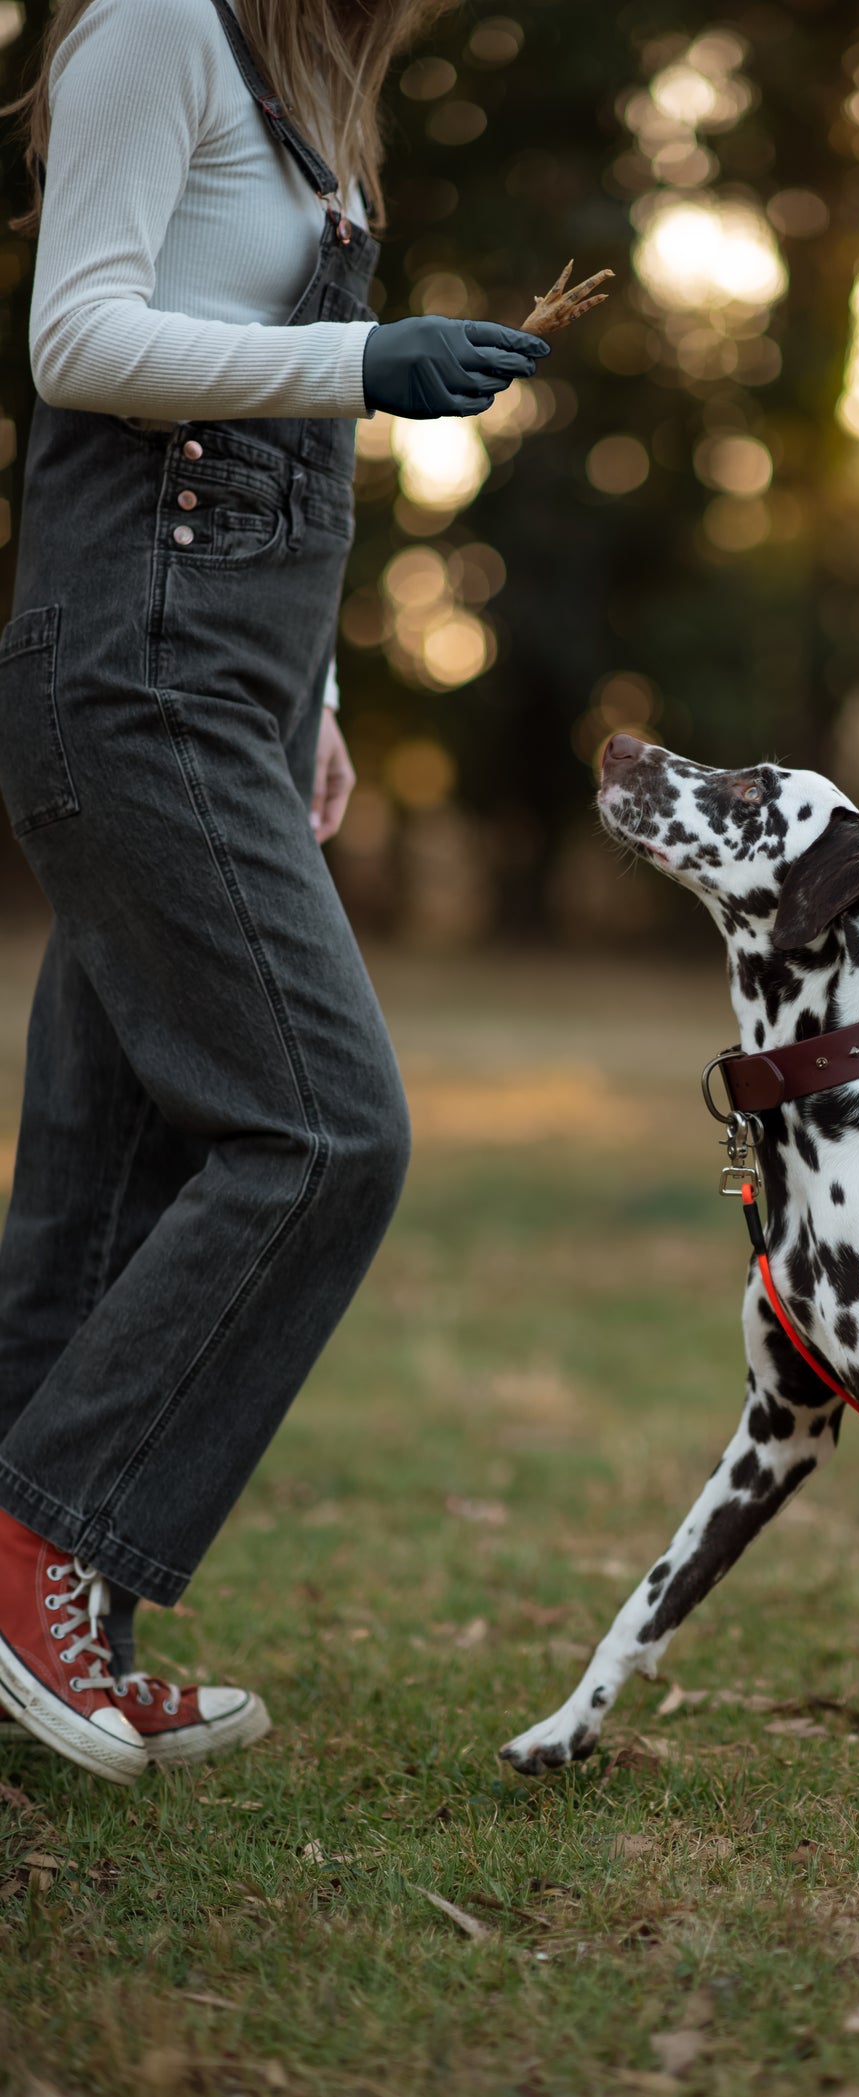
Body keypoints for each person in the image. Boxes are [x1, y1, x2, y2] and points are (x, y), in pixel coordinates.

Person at [0, 0, 548, 1784]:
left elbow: (258, 418)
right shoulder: (152, 26)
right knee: (322, 1132)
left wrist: (314, 696)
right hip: (132, 673)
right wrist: (365, 363)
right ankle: (46, 1545)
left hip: (217, 686)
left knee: (105, 1183)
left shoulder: (307, 92)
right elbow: (76, 337)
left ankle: (57, 1630)